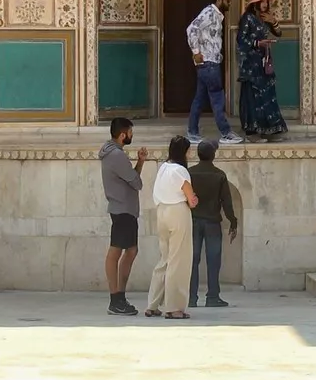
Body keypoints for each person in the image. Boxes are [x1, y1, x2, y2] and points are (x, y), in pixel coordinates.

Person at [144, 136, 198, 319]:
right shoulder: (180, 171)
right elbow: (190, 198)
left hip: (162, 213)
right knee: (179, 260)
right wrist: (194, 200)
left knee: (165, 259)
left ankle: (152, 304)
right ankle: (174, 307)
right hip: (178, 213)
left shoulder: (164, 168)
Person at [100, 117, 150, 316]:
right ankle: (116, 299)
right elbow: (137, 183)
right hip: (123, 210)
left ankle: (120, 296)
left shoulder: (113, 153)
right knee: (116, 252)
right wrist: (137, 168)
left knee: (131, 251)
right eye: (130, 132)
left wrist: (140, 162)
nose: (131, 136)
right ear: (123, 135)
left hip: (125, 209)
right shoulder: (117, 156)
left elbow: (132, 179)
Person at [186, 0, 243, 146]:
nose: (229, 4)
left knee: (199, 98)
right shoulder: (209, 13)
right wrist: (196, 51)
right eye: (227, 1)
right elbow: (191, 29)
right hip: (209, 63)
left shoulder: (216, 16)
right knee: (217, 98)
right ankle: (225, 133)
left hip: (209, 63)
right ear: (219, 0)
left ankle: (192, 132)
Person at [187, 139, 239, 309]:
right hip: (212, 222)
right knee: (213, 259)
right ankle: (213, 296)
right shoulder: (219, 175)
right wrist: (233, 221)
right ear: (213, 155)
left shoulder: (190, 173)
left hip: (193, 221)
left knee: (193, 260)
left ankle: (191, 297)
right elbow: (226, 201)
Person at [235, 0, 289, 141]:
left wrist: (274, 22)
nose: (265, 4)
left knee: (267, 95)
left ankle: (269, 131)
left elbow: (278, 33)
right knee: (253, 97)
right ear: (255, 4)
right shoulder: (247, 18)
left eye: (266, 2)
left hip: (264, 62)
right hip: (251, 65)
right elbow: (241, 40)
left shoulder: (265, 18)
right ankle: (252, 133)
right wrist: (258, 43)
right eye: (262, 2)